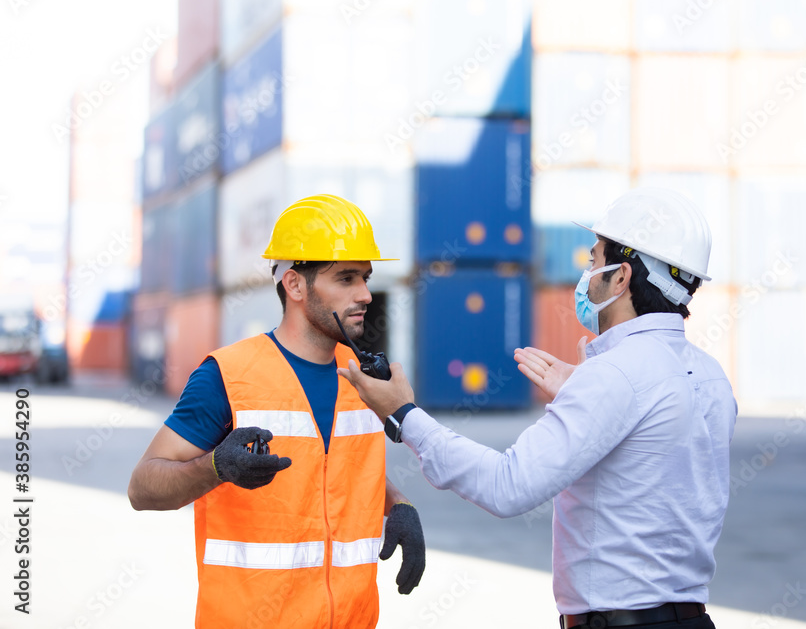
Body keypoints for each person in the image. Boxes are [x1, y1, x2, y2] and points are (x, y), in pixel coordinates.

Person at [340, 188, 737, 629]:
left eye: (593, 262)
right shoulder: (709, 376)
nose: (586, 276)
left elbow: (507, 486)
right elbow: (653, 470)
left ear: (621, 277)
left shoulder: (614, 376)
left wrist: (404, 415)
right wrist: (588, 398)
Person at [128, 194, 425, 629]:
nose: (365, 294)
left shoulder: (361, 377)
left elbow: (333, 470)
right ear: (295, 285)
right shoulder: (227, 375)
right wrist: (214, 467)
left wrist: (398, 503)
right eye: (346, 278)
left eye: (365, 277)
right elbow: (142, 488)